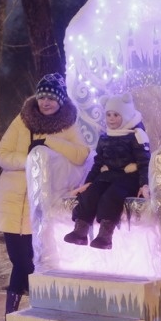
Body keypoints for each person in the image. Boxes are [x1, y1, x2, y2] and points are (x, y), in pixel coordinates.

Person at [0, 73, 90, 313]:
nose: (45, 102)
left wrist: (47, 143)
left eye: (51, 98)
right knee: (19, 260)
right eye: (42, 97)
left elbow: (81, 154)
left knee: (29, 261)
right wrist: (29, 161)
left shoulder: (68, 124)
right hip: (12, 200)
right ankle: (26, 311)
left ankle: (19, 313)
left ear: (60, 101)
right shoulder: (22, 120)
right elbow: (1, 154)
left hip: (40, 204)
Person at [63, 93, 150, 250]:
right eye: (108, 114)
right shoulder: (105, 138)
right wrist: (88, 183)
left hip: (128, 177)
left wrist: (144, 184)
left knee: (111, 195)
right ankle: (80, 233)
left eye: (116, 115)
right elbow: (98, 163)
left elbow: (144, 162)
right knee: (91, 194)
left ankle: (105, 236)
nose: (111, 118)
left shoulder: (136, 135)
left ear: (126, 115)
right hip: (107, 175)